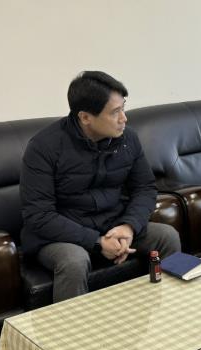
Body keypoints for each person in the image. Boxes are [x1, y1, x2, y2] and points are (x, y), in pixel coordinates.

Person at [20, 71, 181, 303]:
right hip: (61, 236)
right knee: (74, 261)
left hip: (113, 225)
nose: (124, 118)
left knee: (167, 236)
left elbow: (144, 187)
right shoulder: (43, 147)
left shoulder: (128, 139)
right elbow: (39, 215)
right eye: (115, 112)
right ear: (85, 117)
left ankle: (170, 309)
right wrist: (97, 242)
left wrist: (129, 226)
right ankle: (70, 326)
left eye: (123, 108)